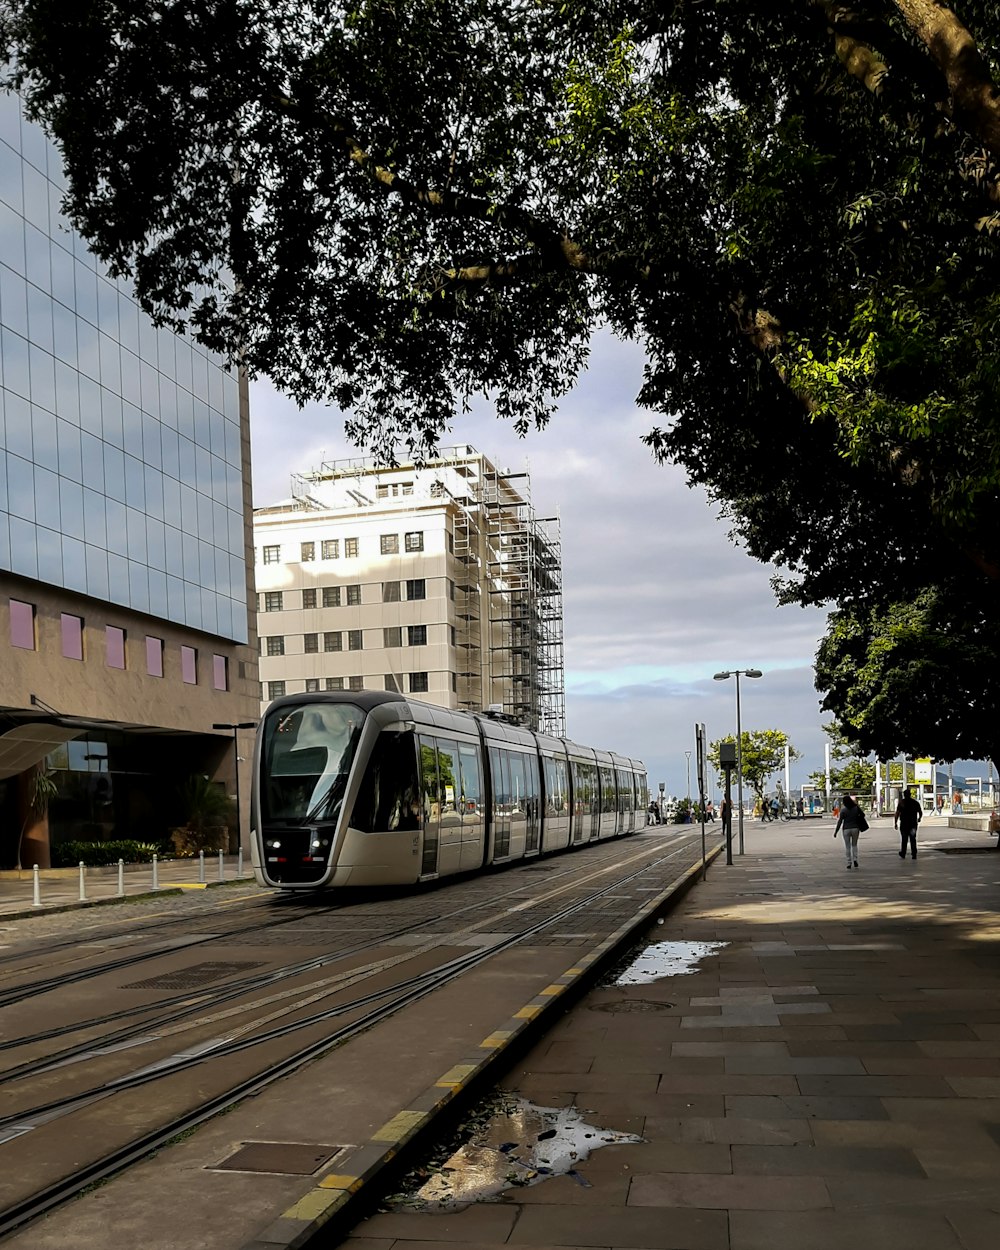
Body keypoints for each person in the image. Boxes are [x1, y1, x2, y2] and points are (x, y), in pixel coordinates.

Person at [834, 793, 866, 869]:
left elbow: (840, 821)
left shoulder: (843, 810)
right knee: (854, 845)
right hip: (855, 828)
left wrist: (836, 831)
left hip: (846, 829)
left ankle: (849, 862)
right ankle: (855, 859)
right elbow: (863, 815)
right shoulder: (856, 808)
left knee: (847, 846)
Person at [894, 787, 921, 859]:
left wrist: (895, 823)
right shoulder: (915, 802)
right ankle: (914, 854)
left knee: (904, 839)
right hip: (913, 824)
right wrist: (919, 818)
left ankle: (903, 853)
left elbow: (897, 813)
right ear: (910, 794)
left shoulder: (902, 803)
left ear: (904, 795)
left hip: (904, 824)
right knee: (913, 839)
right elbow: (920, 812)